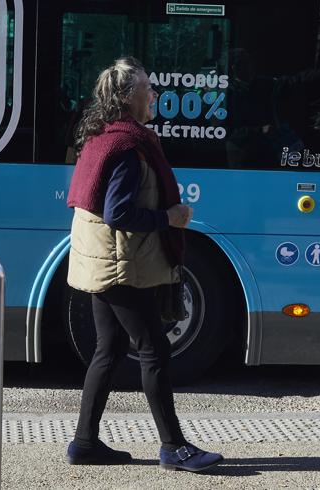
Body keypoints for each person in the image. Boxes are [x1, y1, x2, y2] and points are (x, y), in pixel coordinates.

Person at [63, 56, 224, 473]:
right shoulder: (127, 147)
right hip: (122, 266)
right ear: (127, 97)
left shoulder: (102, 135)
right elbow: (119, 213)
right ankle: (174, 448)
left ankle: (84, 443)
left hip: (104, 260)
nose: (154, 94)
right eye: (147, 88)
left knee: (110, 349)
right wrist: (167, 219)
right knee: (154, 351)